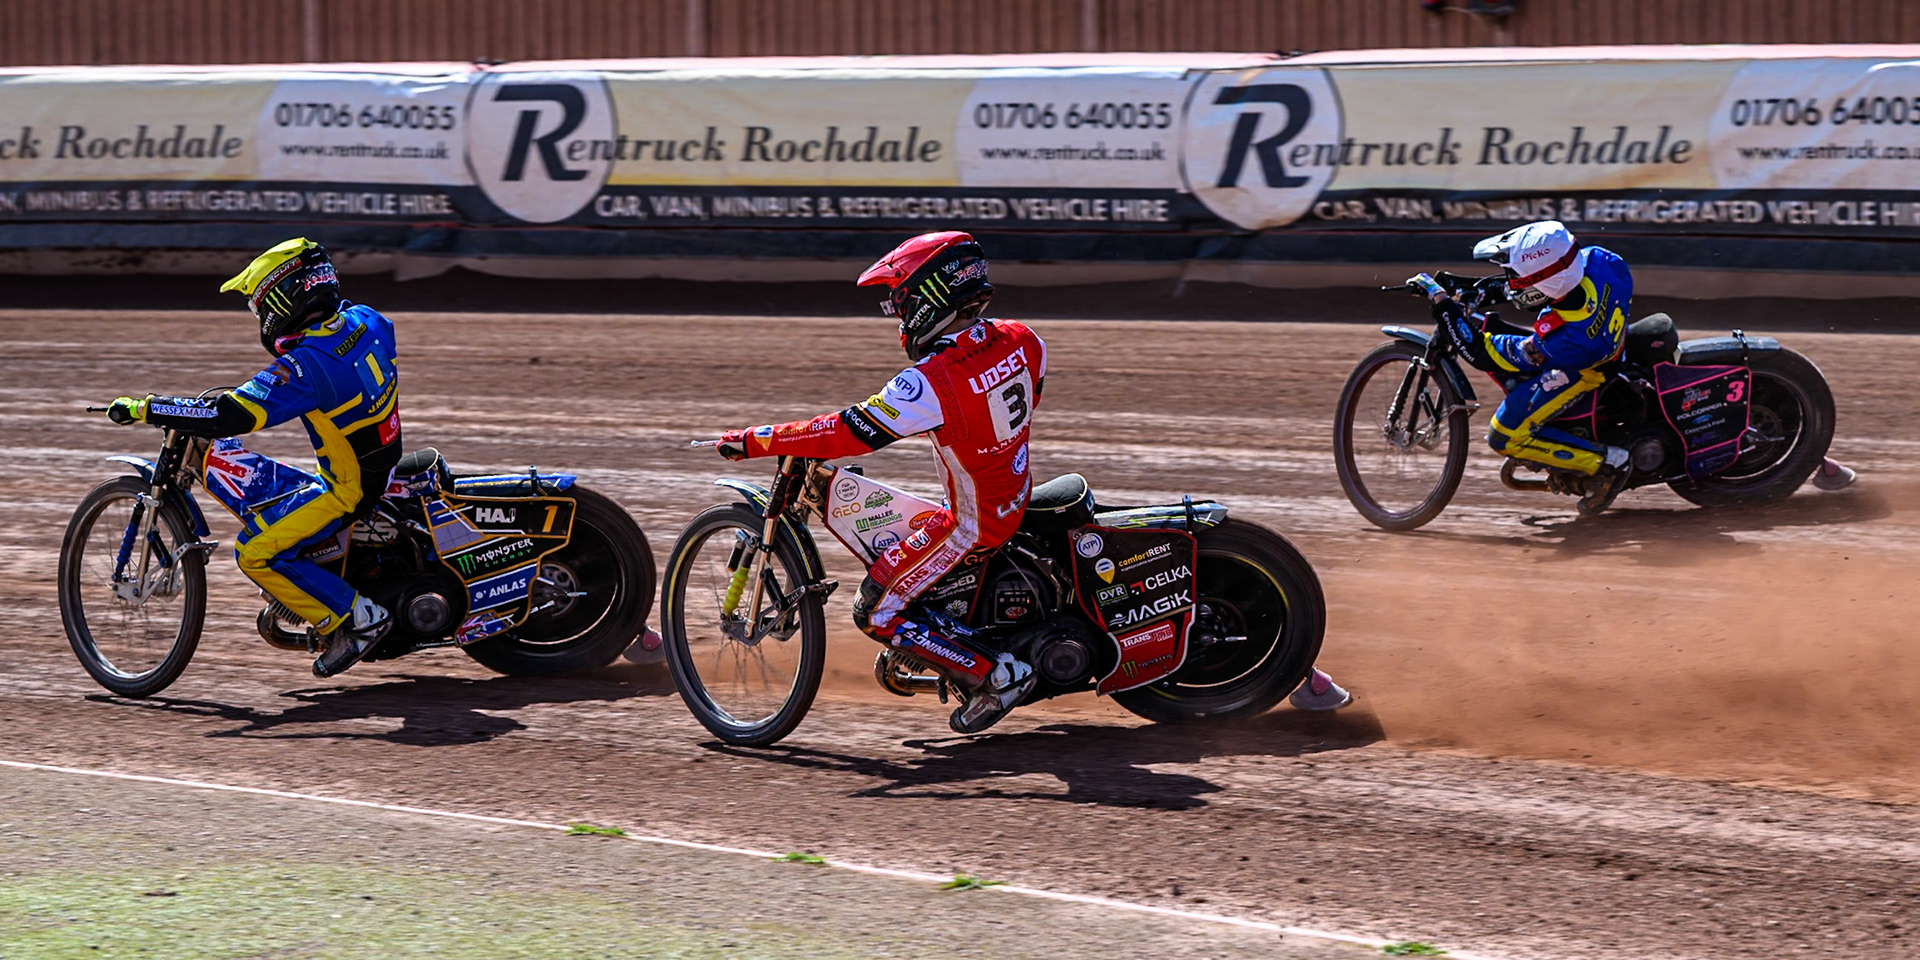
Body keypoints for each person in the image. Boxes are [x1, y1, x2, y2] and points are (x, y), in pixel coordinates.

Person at [714, 231, 1047, 734]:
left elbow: (845, 433)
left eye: (902, 301)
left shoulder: (932, 380)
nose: (897, 316)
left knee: (874, 608)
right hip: (1011, 491)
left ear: (931, 297)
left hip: (973, 523)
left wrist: (758, 439)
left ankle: (994, 675)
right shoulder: (1023, 339)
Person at [107, 238, 402, 677]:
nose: (258, 316)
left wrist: (146, 406)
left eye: (258, 304)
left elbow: (227, 414)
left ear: (284, 298)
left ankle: (355, 619)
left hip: (348, 490)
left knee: (254, 551)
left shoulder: (308, 365)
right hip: (380, 462)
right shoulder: (366, 320)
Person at [1433, 220, 1634, 516]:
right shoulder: (1601, 260)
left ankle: (1607, 462)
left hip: (1585, 369)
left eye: (1516, 277)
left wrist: (1442, 306)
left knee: (1503, 435)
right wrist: (1478, 286)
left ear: (1545, 285)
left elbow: (1482, 353)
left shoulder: (1562, 340)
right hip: (1611, 340)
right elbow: (1542, 284)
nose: (1511, 281)